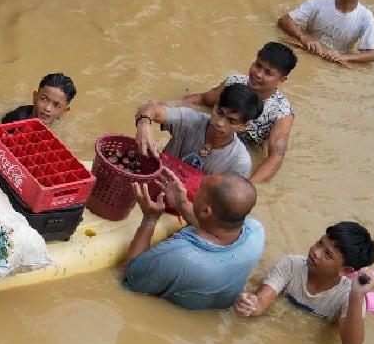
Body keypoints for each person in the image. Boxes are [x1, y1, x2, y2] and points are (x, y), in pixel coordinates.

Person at [122, 168, 265, 310]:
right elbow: (216, 228)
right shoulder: (257, 231)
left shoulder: (177, 256)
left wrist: (149, 219)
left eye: (199, 190)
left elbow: (132, 278)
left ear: (206, 211)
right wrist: (182, 204)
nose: (195, 192)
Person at [234, 222, 374, 344]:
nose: (316, 252)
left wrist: (357, 296)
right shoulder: (290, 265)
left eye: (327, 254)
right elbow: (261, 303)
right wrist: (249, 304)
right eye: (319, 243)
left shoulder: (349, 296)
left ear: (345, 270)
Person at [182, 42, 297, 183]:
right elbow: (203, 99)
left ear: (281, 80)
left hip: (236, 156)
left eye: (268, 73)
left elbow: (275, 158)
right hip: (210, 139)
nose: (258, 74)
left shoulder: (281, 113)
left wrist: (246, 185)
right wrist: (167, 105)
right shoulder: (234, 82)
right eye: (258, 65)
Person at [135, 83, 263, 177]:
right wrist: (144, 123)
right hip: (156, 182)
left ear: (244, 126)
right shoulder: (190, 120)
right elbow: (150, 109)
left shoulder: (239, 162)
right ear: (216, 104)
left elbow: (222, 206)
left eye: (231, 121)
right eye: (219, 112)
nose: (219, 123)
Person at [1, 72, 76, 125]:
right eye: (43, 99)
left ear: (64, 111)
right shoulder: (18, 120)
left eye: (56, 105)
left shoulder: (57, 121)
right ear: (35, 97)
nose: (47, 108)